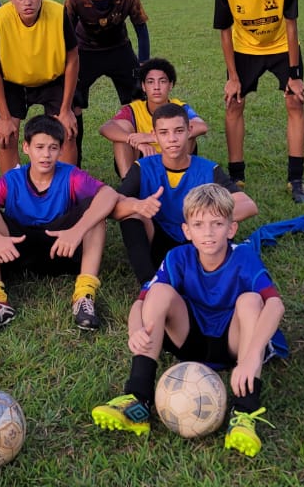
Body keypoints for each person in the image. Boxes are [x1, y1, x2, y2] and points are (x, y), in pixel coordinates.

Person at [92, 183, 285, 456]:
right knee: (159, 291)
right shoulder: (178, 257)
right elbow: (141, 301)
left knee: (252, 301)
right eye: (198, 224)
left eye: (217, 223)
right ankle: (138, 399)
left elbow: (275, 305)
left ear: (231, 229)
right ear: (187, 231)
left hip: (234, 345)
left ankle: (245, 411)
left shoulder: (244, 256)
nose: (208, 232)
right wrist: (135, 330)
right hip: (188, 339)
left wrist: (253, 354)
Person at [0, 115, 118, 334]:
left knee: (95, 211)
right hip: (18, 252)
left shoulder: (69, 175)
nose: (46, 154)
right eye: (39, 147)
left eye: (53, 148)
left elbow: (108, 193)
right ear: (26, 147)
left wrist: (76, 231)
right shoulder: (12, 179)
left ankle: (83, 296)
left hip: (61, 249)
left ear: (61, 151)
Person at [213, 0, 304, 203]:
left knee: (295, 102)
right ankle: (235, 177)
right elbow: (224, 32)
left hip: (281, 46)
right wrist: (233, 76)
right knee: (234, 103)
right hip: (244, 48)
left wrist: (294, 75)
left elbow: (291, 26)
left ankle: (296, 179)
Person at [114, 104, 256, 285]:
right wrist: (137, 205)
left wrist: (204, 218)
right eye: (164, 133)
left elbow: (248, 205)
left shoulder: (208, 170)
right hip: (157, 242)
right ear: (154, 135)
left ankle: (208, 273)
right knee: (131, 214)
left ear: (189, 131)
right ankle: (148, 283)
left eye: (179, 131)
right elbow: (114, 207)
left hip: (198, 240)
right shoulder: (143, 167)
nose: (172, 139)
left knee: (221, 216)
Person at [0, 0, 80, 173]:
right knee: (6, 136)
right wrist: (4, 117)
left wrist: (65, 110)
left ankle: (66, 191)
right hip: (13, 83)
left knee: (68, 131)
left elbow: (73, 59)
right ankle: (11, 193)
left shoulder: (58, 13)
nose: (27, 2)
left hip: (52, 80)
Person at [63, 0, 150, 164]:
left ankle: (140, 159)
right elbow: (67, 36)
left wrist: (143, 62)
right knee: (73, 103)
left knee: (139, 100)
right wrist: (67, 64)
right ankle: (75, 163)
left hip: (119, 50)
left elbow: (141, 29)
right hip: (85, 52)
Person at [100, 58, 209, 178]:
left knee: (189, 132)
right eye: (150, 82)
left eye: (162, 81)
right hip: (143, 158)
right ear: (143, 86)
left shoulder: (180, 107)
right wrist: (137, 142)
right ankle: (129, 186)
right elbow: (106, 128)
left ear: (170, 85)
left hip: (173, 156)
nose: (156, 87)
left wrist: (151, 137)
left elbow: (202, 127)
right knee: (121, 137)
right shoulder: (134, 109)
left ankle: (180, 178)